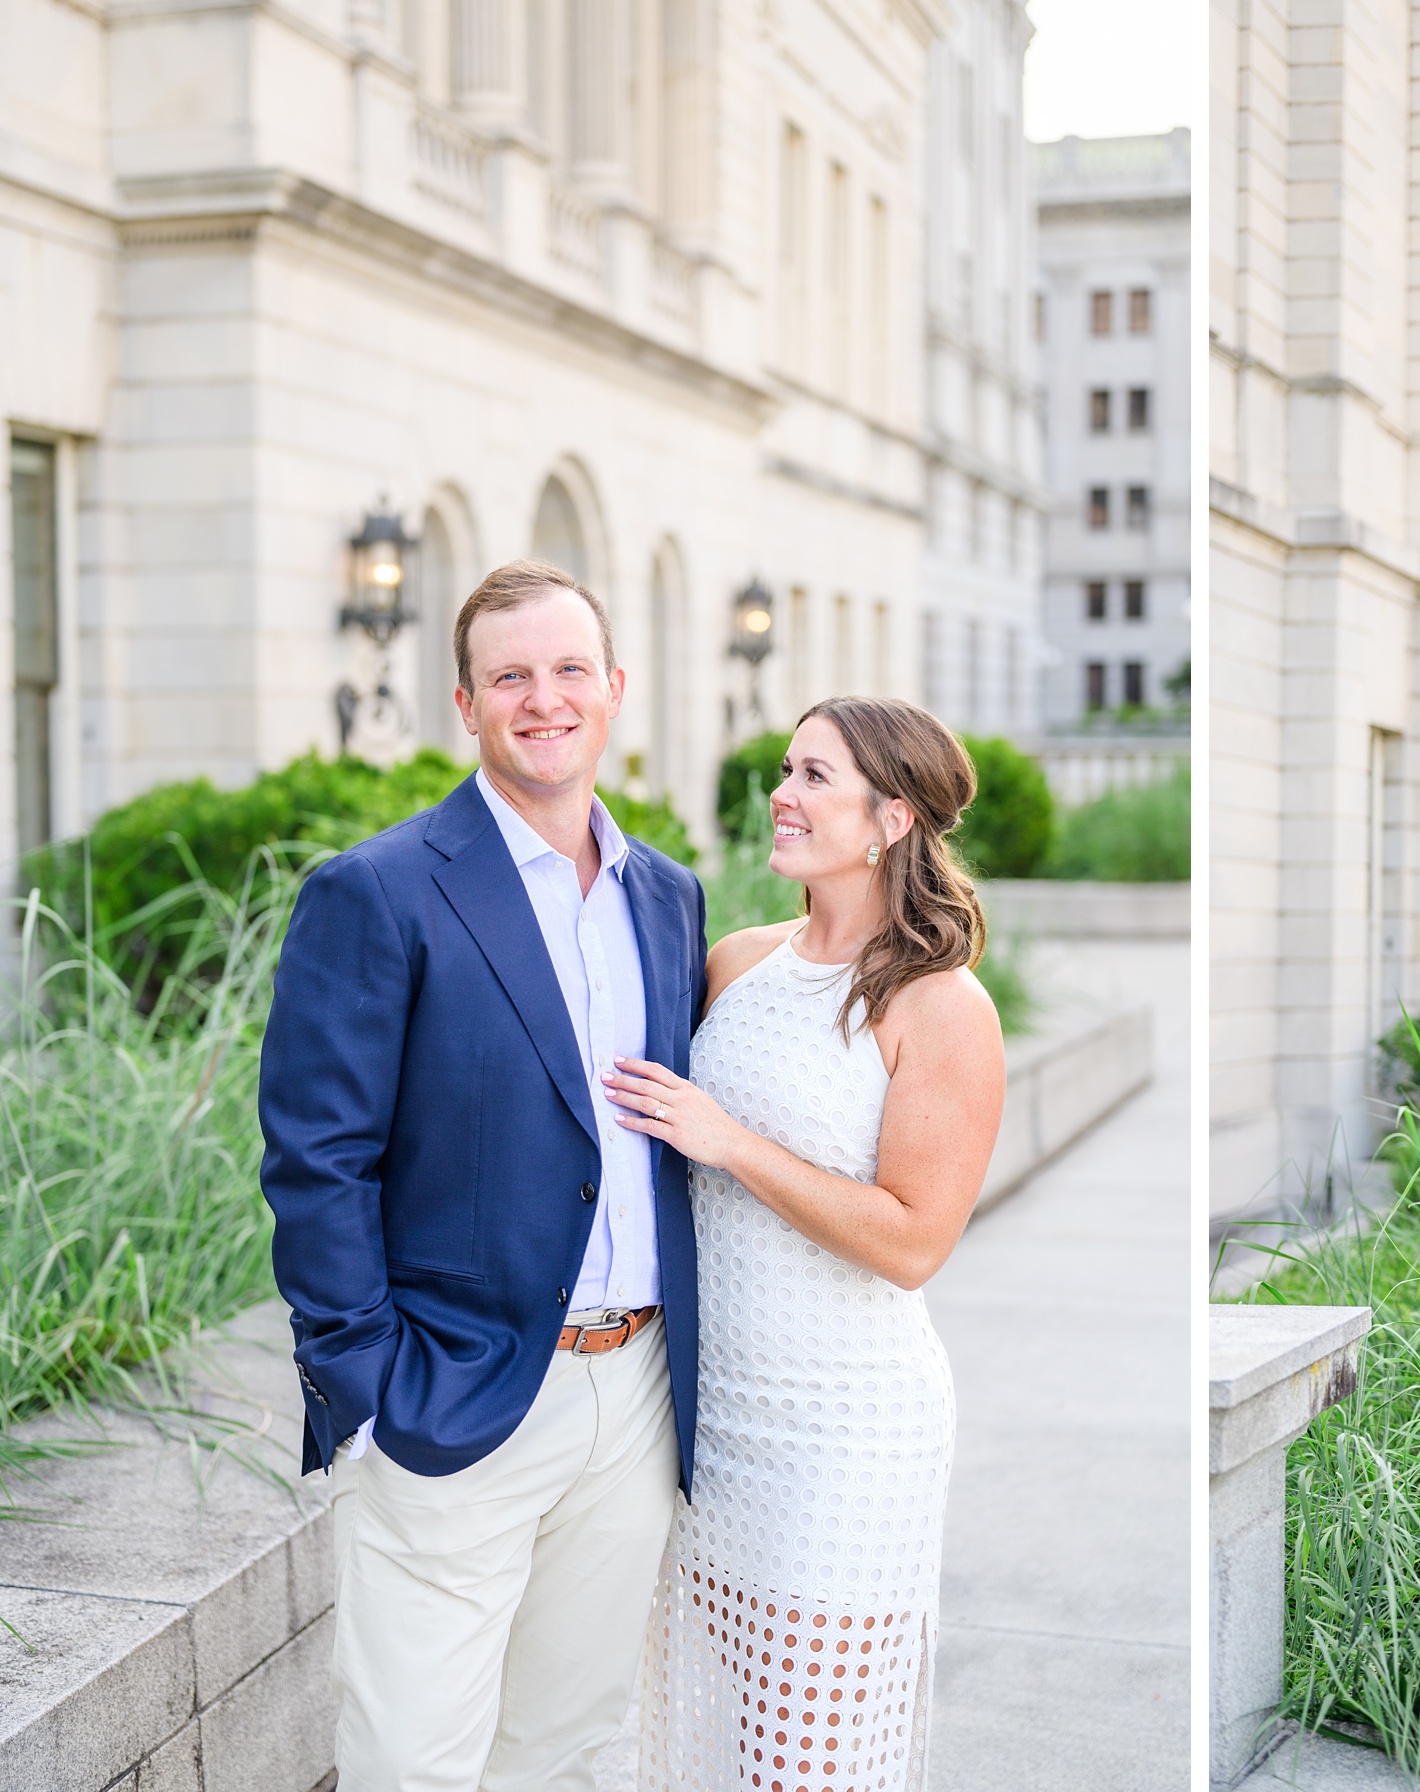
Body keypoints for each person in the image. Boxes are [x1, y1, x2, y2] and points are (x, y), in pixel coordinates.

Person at [258, 559, 707, 1792]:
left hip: (637, 1392)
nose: (543, 698)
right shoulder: (378, 890)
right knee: (415, 1762)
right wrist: (364, 1390)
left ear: (614, 690)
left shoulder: (667, 897)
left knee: (559, 1752)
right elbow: (317, 1158)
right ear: (466, 703)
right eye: (511, 675)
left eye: (570, 670)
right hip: (448, 1398)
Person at [606, 696, 1006, 1792]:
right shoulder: (735, 963)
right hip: (709, 1419)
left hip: (847, 1431)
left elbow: (917, 1239)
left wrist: (733, 1143)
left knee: (803, 1765)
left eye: (814, 776)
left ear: (891, 816)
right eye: (788, 768)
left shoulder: (941, 1004)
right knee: (702, 1741)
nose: (782, 794)